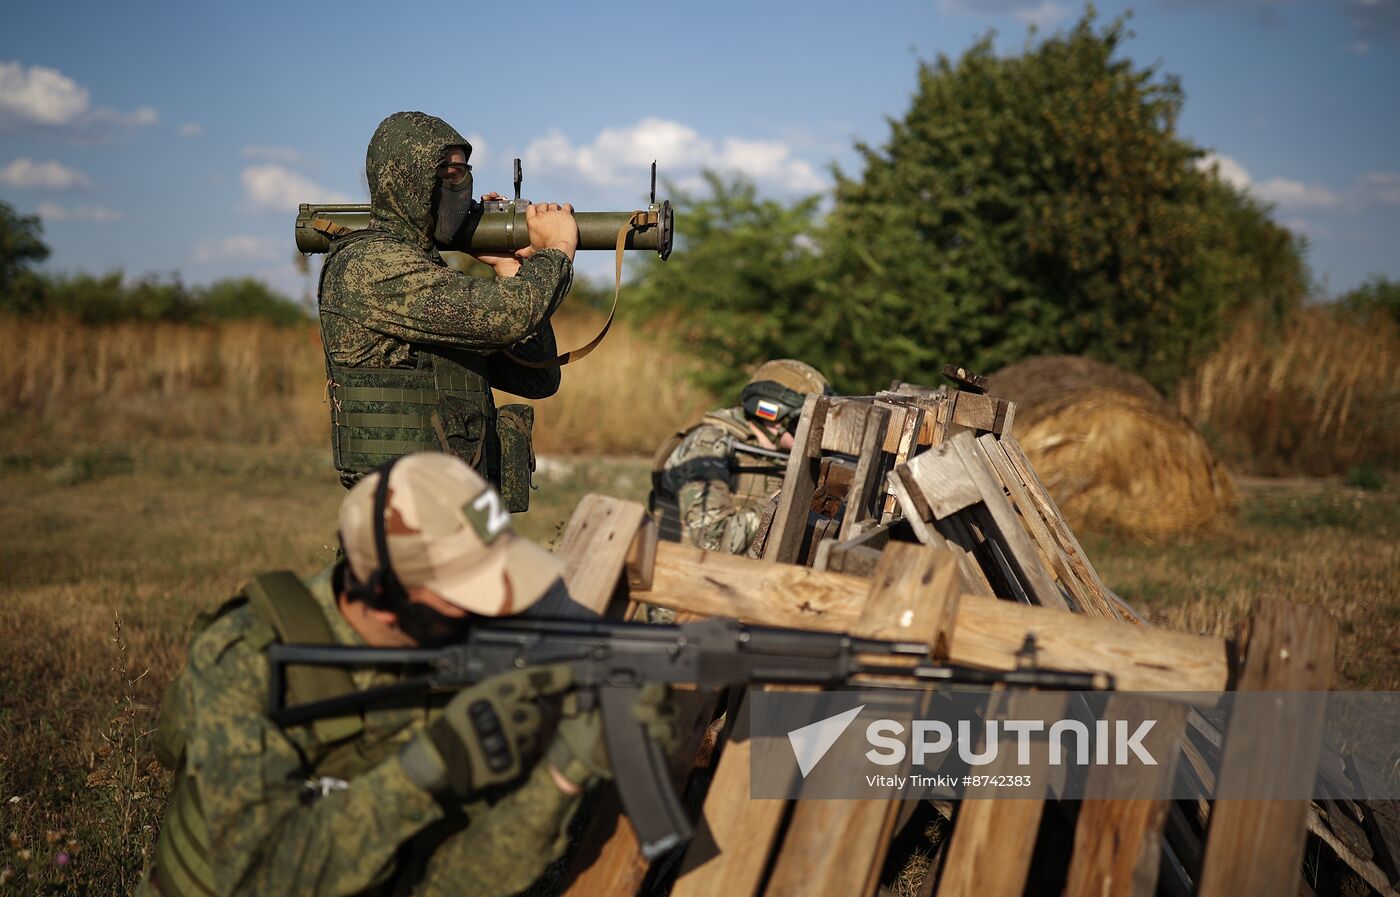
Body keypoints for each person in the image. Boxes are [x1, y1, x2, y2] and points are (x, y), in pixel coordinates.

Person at [138, 453, 672, 897]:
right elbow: (263, 880)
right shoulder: (246, 660)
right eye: (473, 593)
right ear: (387, 600)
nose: (505, 606)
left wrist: (564, 772)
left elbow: (456, 882)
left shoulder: (460, 652)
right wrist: (429, 766)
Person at [318, 111, 580, 510]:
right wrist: (558, 250)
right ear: (408, 179)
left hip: (461, 508)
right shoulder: (373, 267)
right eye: (449, 173)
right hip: (407, 515)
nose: (462, 186)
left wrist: (510, 268)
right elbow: (510, 315)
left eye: (464, 172)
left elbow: (536, 377)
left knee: (525, 573)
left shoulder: (428, 270)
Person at [650, 359, 832, 555]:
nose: (819, 432)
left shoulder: (784, 454)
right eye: (808, 421)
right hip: (680, 574)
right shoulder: (708, 446)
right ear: (777, 416)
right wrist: (781, 500)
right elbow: (712, 544)